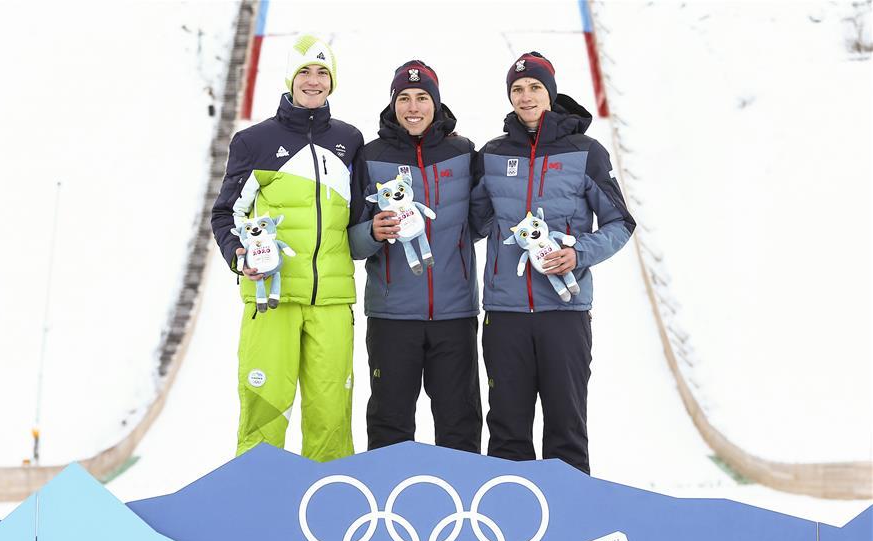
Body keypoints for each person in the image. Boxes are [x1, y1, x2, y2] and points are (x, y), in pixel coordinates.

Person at [470, 52, 636, 473]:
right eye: (517, 89)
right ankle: (508, 528)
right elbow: (474, 223)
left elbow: (620, 222)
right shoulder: (491, 154)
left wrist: (578, 252)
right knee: (507, 432)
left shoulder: (586, 152)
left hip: (564, 313)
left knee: (566, 430)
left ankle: (571, 524)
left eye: (534, 88)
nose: (526, 97)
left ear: (550, 92)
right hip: (505, 313)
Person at [210, 34, 363, 460]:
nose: (313, 82)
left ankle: (331, 510)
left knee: (331, 415)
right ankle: (255, 505)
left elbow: (358, 219)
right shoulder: (254, 142)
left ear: (332, 82)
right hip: (270, 297)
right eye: (305, 73)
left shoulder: (350, 142)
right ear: (290, 79)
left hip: (331, 299)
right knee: (264, 407)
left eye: (322, 73)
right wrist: (238, 256)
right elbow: (225, 214)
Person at [349, 60, 485, 452]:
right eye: (404, 98)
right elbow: (353, 243)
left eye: (422, 98)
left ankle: (460, 508)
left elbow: (477, 223)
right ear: (393, 104)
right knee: (389, 424)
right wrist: (372, 232)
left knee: (459, 424)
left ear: (436, 103)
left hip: (454, 314)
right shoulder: (370, 156)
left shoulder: (463, 152)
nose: (413, 107)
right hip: (393, 316)